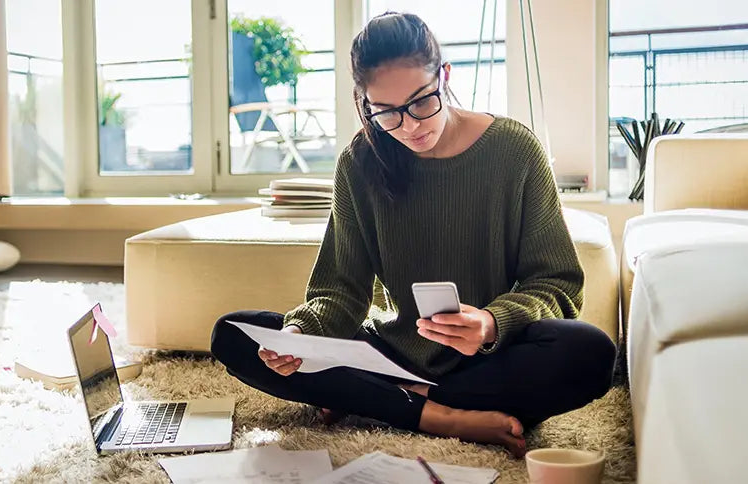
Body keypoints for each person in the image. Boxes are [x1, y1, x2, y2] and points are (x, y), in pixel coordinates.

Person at [209, 11, 615, 458]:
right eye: (386, 113)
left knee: (590, 352)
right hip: (389, 352)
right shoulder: (360, 162)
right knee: (235, 334)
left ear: (444, 75)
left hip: (484, 360)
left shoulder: (515, 151)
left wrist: (492, 323)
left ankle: (380, 400)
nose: (410, 125)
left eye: (422, 101)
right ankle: (438, 415)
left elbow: (557, 283)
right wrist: (302, 332)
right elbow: (341, 291)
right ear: (366, 104)